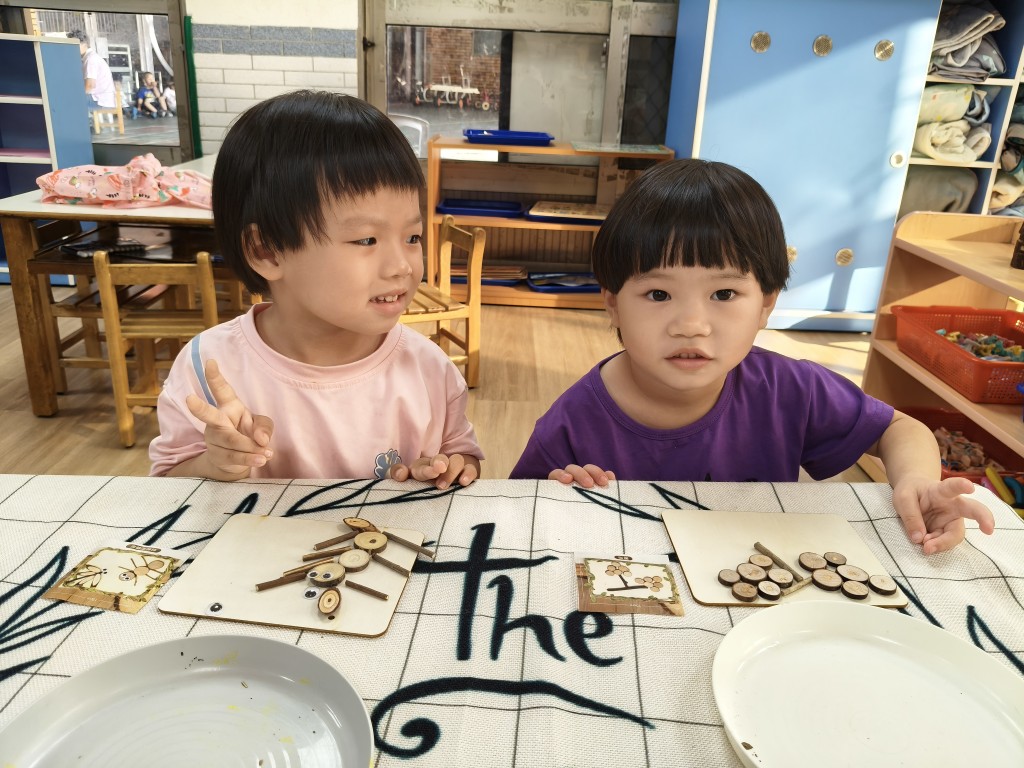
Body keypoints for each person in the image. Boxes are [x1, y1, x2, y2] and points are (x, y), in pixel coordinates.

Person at [510, 158, 995, 555]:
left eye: (723, 294)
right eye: (658, 294)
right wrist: (560, 493)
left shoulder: (790, 390)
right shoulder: (572, 423)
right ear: (613, 303)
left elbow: (899, 428)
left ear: (765, 305)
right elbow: (519, 513)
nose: (691, 324)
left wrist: (917, 483)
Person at [149, 90, 483, 488]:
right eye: (366, 240)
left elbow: (461, 455)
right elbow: (167, 480)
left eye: (412, 237)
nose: (402, 266)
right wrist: (215, 464)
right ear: (267, 250)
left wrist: (451, 468)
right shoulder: (209, 367)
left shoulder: (429, 369)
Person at [69, 29, 115, 110]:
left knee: (67, 102)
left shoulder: (90, 59)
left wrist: (74, 96)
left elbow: (90, 86)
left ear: (84, 44)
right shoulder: (90, 57)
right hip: (100, 98)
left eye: (73, 45)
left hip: (98, 100)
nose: (71, 49)